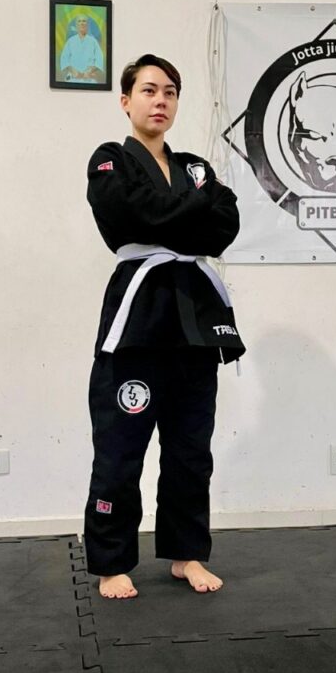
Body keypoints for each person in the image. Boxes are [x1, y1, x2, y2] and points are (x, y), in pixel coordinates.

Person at [83, 53, 245, 599]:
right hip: (138, 317)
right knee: (120, 448)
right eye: (149, 90)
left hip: (193, 322)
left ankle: (186, 553)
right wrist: (190, 210)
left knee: (190, 448)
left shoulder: (195, 166)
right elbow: (129, 215)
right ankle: (111, 562)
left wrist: (175, 210)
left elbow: (224, 224)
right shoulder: (109, 160)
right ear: (126, 100)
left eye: (170, 92)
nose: (161, 101)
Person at [59, 14, 104, 83]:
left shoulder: (93, 42)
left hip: (89, 78)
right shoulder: (70, 41)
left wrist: (90, 71)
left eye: (84, 21)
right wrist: (72, 70)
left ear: (87, 25)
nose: (82, 23)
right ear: (76, 25)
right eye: (79, 21)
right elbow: (64, 58)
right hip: (73, 77)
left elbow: (99, 60)